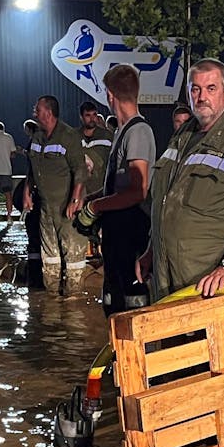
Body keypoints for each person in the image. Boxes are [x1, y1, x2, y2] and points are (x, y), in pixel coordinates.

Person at [138, 58, 224, 299]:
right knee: (169, 336)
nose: (202, 97)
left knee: (205, 337)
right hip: (166, 274)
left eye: (211, 88)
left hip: (208, 280)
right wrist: (151, 251)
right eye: (195, 89)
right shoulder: (182, 135)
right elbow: (167, 200)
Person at [77, 64, 156, 316]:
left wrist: (94, 207)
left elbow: (138, 191)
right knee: (113, 300)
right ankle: (116, 353)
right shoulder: (122, 132)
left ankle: (137, 353)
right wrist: (92, 198)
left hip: (132, 234)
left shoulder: (139, 132)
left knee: (132, 305)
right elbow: (119, 184)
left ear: (109, 95)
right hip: (116, 235)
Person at [23, 95, 89, 295]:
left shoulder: (68, 136)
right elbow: (31, 170)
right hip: (46, 208)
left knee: (73, 258)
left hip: (67, 207)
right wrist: (27, 193)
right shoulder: (36, 137)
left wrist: (75, 200)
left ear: (48, 113)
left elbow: (80, 170)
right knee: (49, 257)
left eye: (38, 109)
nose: (35, 112)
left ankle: (73, 302)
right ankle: (52, 300)